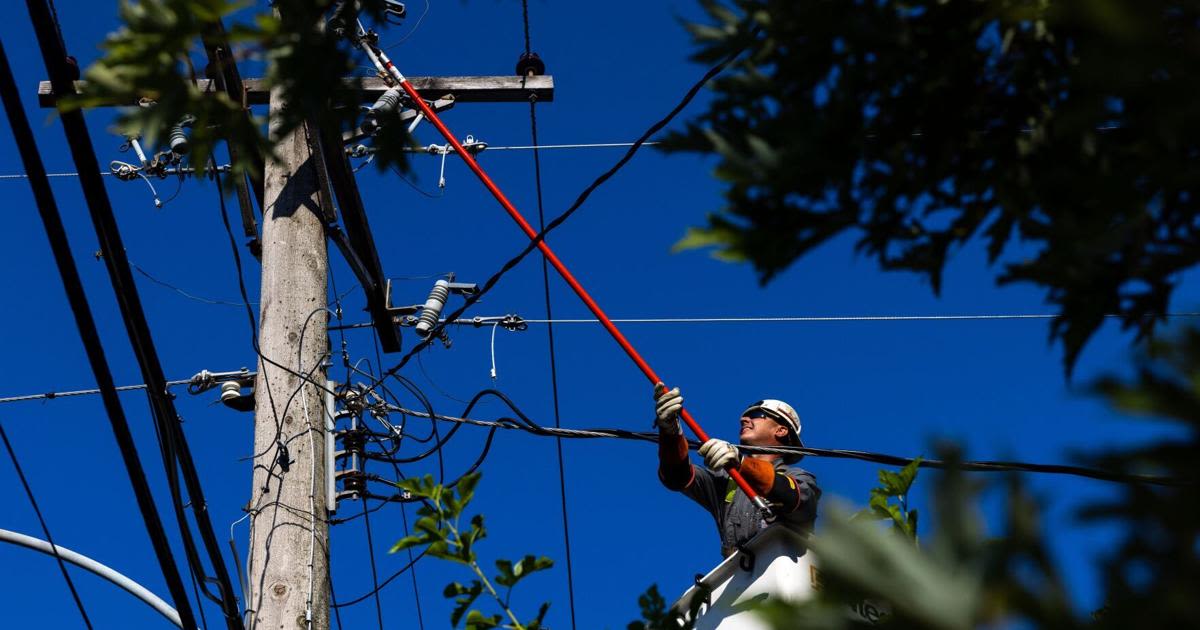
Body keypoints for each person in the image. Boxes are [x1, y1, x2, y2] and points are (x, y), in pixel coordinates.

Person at [654, 383, 821, 558]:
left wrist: (742, 464)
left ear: (781, 430)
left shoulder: (798, 478)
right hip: (742, 575)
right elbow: (677, 476)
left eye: (756, 415)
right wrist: (670, 432)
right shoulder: (727, 480)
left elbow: (796, 498)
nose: (743, 420)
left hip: (783, 575)